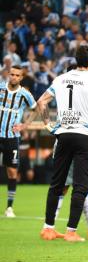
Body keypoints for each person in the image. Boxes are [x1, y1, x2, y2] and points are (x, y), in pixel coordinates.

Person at [37, 45, 88, 242]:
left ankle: (48, 228)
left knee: (56, 184)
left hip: (63, 134)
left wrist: (48, 125)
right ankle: (71, 231)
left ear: (76, 60)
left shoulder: (60, 79)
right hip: (85, 135)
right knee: (81, 185)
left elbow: (41, 102)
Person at [1, 65, 38, 218]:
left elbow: (36, 109)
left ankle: (9, 207)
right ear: (8, 75)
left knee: (12, 171)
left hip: (12, 137)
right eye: (12, 74)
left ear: (21, 78)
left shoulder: (24, 94)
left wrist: (25, 125)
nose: (14, 77)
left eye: (17, 75)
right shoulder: (1, 88)